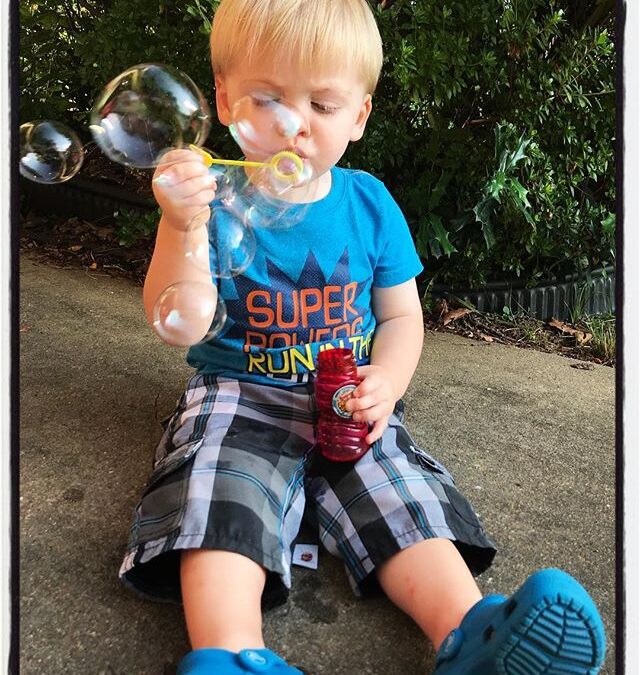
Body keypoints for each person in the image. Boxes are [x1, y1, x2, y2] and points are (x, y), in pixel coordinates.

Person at [119, 1, 607, 673]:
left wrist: (390, 379)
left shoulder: (371, 203)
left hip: (347, 400)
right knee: (221, 488)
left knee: (397, 487)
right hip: (240, 395)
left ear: (359, 115)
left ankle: (468, 633)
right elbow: (179, 316)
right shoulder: (208, 198)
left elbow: (404, 317)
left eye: (322, 104)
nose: (294, 124)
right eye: (268, 98)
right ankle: (230, 651)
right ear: (226, 100)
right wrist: (177, 227)